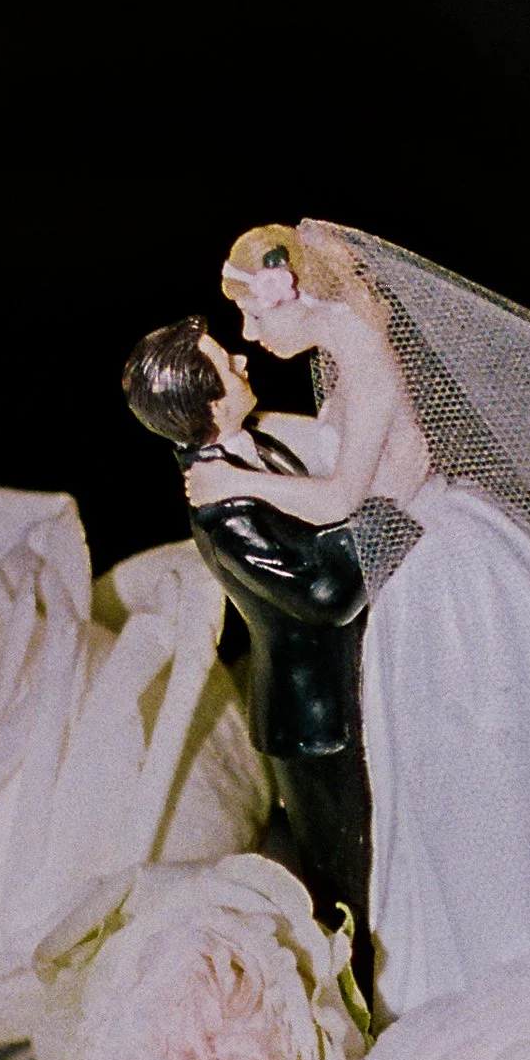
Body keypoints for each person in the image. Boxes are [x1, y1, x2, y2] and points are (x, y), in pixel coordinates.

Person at [212, 223, 530, 1017]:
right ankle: (474, 951)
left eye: (252, 313)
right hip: (430, 560)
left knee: (476, 761)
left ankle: (515, 940)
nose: (248, 333)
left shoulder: (367, 362)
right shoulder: (348, 352)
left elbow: (345, 498)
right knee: (444, 769)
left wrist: (233, 486)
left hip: (451, 582)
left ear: (295, 297)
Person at [121, 316, 375, 993]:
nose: (239, 358)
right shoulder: (223, 512)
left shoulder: (254, 450)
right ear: (203, 409)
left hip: (354, 683)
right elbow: (329, 592)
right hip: (318, 717)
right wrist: (380, 508)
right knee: (352, 879)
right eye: (223, 365)